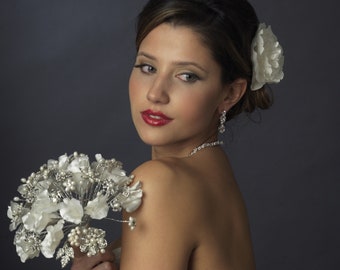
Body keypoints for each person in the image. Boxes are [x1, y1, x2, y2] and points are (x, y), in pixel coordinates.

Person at [71, 0, 284, 269]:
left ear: (230, 93)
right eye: (147, 67)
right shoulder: (213, 171)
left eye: (187, 76)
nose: (155, 93)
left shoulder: (160, 183)